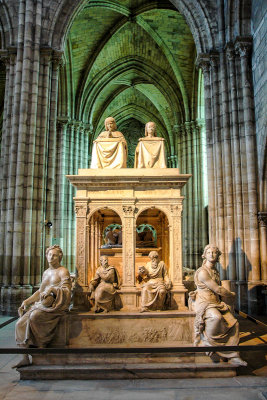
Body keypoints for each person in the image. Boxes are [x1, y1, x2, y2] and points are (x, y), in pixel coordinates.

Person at [13, 245, 71, 368]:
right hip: (41, 305)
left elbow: (67, 290)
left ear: (59, 257)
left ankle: (41, 344)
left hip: (55, 306)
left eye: (54, 255)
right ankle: (24, 357)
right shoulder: (46, 272)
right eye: (49, 254)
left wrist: (52, 290)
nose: (51, 257)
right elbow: (40, 291)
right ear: (46, 256)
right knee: (19, 324)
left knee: (34, 317)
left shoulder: (62, 271)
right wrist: (27, 301)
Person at [190, 244, 247, 366]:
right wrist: (231, 294)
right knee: (216, 318)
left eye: (214, 253)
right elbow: (218, 289)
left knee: (234, 323)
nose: (211, 255)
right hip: (205, 303)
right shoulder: (202, 272)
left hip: (216, 303)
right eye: (209, 252)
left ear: (218, 256)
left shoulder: (214, 271)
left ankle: (233, 355)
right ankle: (208, 343)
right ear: (204, 255)